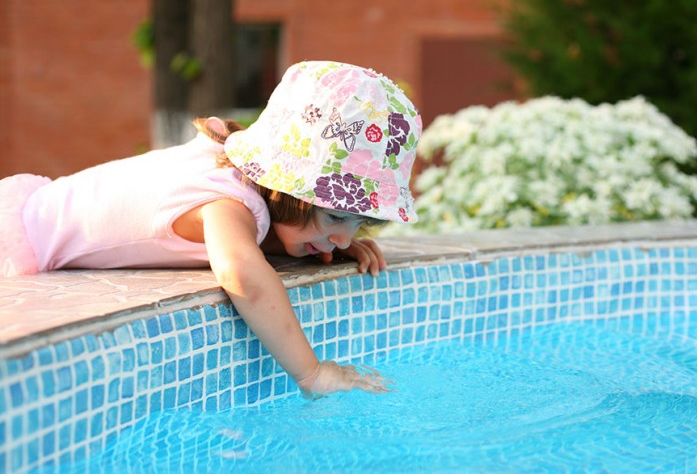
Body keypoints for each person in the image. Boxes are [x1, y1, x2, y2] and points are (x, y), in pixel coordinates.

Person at [0, 60, 422, 397]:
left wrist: (322, 236)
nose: (345, 239)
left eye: (356, 223)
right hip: (20, 238)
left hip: (29, 208)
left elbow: (266, 227)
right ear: (287, 190)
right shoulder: (227, 204)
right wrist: (312, 373)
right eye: (335, 217)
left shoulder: (232, 164)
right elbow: (243, 276)